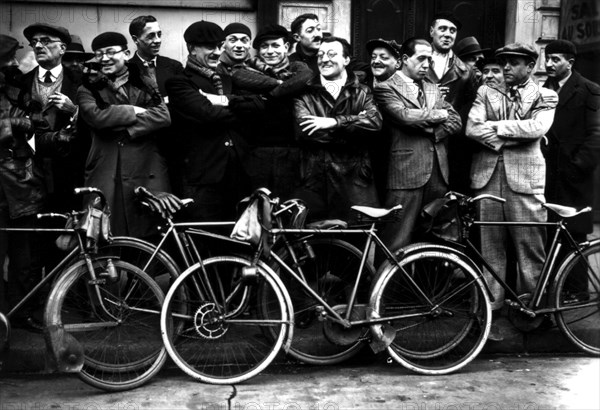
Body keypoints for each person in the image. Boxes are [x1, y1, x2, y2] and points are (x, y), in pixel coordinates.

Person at [466, 43, 558, 339]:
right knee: (490, 247)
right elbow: (471, 129)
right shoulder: (486, 92)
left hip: (525, 179)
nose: (505, 68)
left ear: (530, 66)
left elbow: (538, 128)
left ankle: (531, 311)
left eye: (513, 63)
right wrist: (511, 134)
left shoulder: (545, 94)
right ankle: (491, 311)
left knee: (529, 246)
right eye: (503, 62)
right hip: (487, 176)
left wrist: (497, 129)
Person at [0, 34, 73, 332]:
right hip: (10, 183)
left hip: (21, 184)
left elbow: (35, 122)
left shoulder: (14, 88)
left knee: (24, 254)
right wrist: (17, 124)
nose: (16, 64)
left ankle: (19, 311)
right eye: (9, 60)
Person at [77, 32, 172, 238]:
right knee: (104, 233)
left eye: (111, 52)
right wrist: (133, 111)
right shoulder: (87, 88)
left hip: (147, 167)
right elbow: (97, 117)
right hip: (107, 168)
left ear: (127, 53)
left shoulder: (145, 82)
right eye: (99, 54)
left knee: (147, 235)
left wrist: (127, 128)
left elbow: (163, 116)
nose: (104, 58)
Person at [373, 37, 462, 250]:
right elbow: (404, 116)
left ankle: (423, 284)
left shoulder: (433, 88)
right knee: (397, 239)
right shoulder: (386, 87)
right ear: (404, 59)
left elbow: (456, 121)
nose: (426, 65)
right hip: (405, 174)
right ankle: (388, 283)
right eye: (421, 59)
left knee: (433, 241)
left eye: (429, 60)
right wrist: (440, 114)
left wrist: (432, 129)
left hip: (438, 173)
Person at [166, 21, 250, 221]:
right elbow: (208, 114)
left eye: (219, 46)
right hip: (202, 177)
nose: (216, 52)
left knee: (238, 240)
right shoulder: (178, 82)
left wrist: (223, 100)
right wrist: (239, 111)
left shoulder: (229, 79)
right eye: (210, 47)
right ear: (192, 49)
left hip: (238, 174)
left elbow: (257, 107)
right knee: (203, 238)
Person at [293, 36, 382, 222]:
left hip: (355, 177)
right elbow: (305, 131)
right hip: (315, 176)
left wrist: (334, 122)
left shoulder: (362, 91)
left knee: (356, 237)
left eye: (332, 54)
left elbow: (374, 124)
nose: (325, 59)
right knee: (313, 239)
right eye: (321, 55)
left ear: (346, 60)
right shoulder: (304, 92)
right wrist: (356, 124)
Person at [232, 24, 313, 199]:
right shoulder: (245, 70)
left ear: (286, 47)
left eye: (275, 45)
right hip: (255, 152)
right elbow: (239, 78)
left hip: (292, 152)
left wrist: (269, 95)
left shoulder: (297, 68)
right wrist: (280, 84)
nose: (270, 51)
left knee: (289, 207)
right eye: (264, 46)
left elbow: (306, 77)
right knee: (257, 207)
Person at [543, 39, 600, 243]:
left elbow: (597, 136)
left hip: (573, 183)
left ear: (570, 62)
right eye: (547, 58)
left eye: (555, 59)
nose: (549, 64)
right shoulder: (542, 92)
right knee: (548, 241)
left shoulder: (589, 90)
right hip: (546, 180)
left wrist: (575, 168)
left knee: (573, 243)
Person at [21, 23, 83, 213]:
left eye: (46, 41)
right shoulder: (21, 82)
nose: (38, 46)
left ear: (62, 48)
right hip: (31, 172)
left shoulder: (80, 81)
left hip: (70, 169)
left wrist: (73, 109)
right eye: (35, 42)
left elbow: (97, 118)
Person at [426, 12, 478, 195]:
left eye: (452, 31)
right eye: (442, 29)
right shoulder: (416, 63)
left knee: (448, 192)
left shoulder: (466, 71)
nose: (448, 34)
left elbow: (471, 106)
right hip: (420, 136)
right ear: (432, 31)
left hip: (452, 142)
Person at [367, 38, 402, 202]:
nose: (376, 61)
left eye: (383, 57)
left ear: (398, 63)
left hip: (396, 160)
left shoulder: (407, 89)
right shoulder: (361, 85)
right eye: (373, 57)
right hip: (365, 161)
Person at [128, 15, 184, 99]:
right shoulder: (126, 69)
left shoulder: (175, 66)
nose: (158, 40)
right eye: (151, 36)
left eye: (159, 34)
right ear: (135, 39)